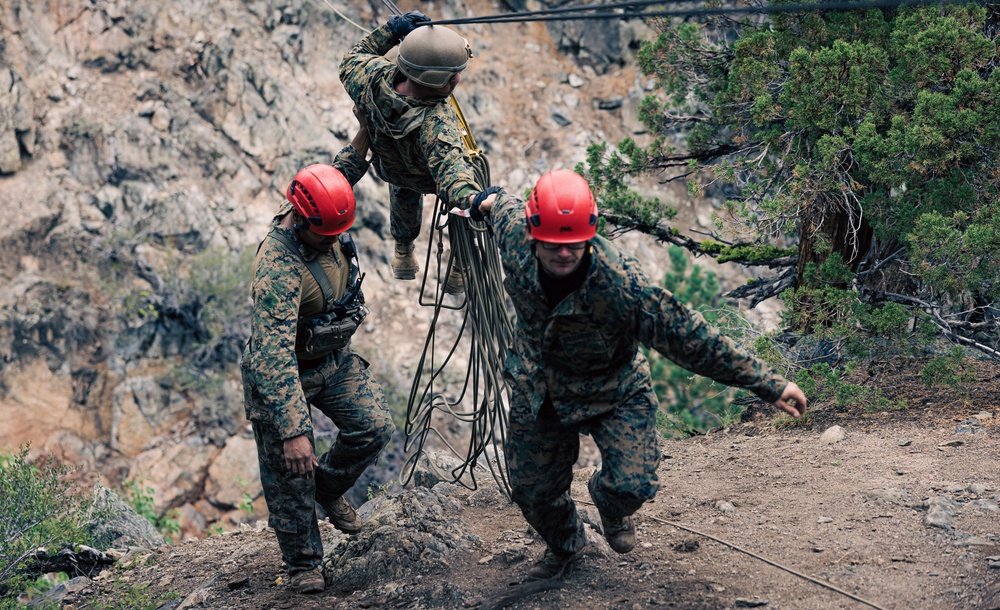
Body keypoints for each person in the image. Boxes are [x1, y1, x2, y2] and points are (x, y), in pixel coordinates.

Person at [469, 170, 808, 580]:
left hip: (615, 388)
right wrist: (478, 201)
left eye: (575, 244)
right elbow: (497, 203)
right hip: (542, 388)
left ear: (590, 232)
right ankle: (566, 547)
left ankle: (608, 505)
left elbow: (689, 337)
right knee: (532, 491)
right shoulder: (515, 235)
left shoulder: (621, 285)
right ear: (534, 232)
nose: (565, 254)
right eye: (555, 245)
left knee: (633, 484)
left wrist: (767, 383)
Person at [240, 118, 395, 594]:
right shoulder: (277, 269)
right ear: (301, 220)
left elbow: (343, 170)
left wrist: (369, 126)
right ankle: (304, 563)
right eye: (325, 234)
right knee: (290, 473)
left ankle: (328, 490)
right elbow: (272, 357)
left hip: (330, 360)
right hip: (284, 373)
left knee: (373, 426)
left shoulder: (322, 199)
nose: (334, 240)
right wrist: (293, 431)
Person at [339, 12, 482, 291]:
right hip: (429, 174)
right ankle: (460, 265)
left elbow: (354, 56)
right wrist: (479, 199)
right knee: (466, 191)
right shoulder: (437, 125)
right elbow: (455, 180)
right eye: (456, 74)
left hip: (392, 168)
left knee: (403, 188)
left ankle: (403, 252)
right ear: (445, 81)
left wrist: (392, 29)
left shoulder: (370, 78)